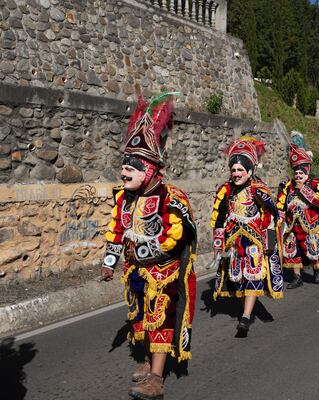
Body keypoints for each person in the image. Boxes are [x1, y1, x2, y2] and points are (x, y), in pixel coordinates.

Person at [101, 93, 198, 400]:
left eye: (132, 165)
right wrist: (109, 260)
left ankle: (157, 378)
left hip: (162, 274)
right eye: (123, 163)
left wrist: (143, 252)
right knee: (139, 319)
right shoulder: (124, 198)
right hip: (135, 273)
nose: (124, 170)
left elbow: (174, 237)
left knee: (160, 319)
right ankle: (146, 361)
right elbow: (117, 228)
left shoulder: (172, 199)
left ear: (152, 170)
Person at [211, 136, 284, 336]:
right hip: (233, 242)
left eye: (240, 170)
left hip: (254, 240)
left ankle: (245, 317)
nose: (236, 174)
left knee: (253, 275)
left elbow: (270, 214)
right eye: (233, 170)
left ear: (250, 171)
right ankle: (246, 309)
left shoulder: (257, 189)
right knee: (236, 279)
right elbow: (218, 217)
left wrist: (267, 238)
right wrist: (218, 244)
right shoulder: (225, 191)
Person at [277, 136, 319, 288]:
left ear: (307, 172)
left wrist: (305, 190)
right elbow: (280, 203)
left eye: (301, 172)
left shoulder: (316, 184)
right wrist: (279, 219)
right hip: (292, 226)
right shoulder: (288, 186)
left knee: (313, 249)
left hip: (311, 224)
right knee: (293, 251)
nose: (298, 175)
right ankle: (296, 277)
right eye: (296, 172)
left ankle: (317, 271)